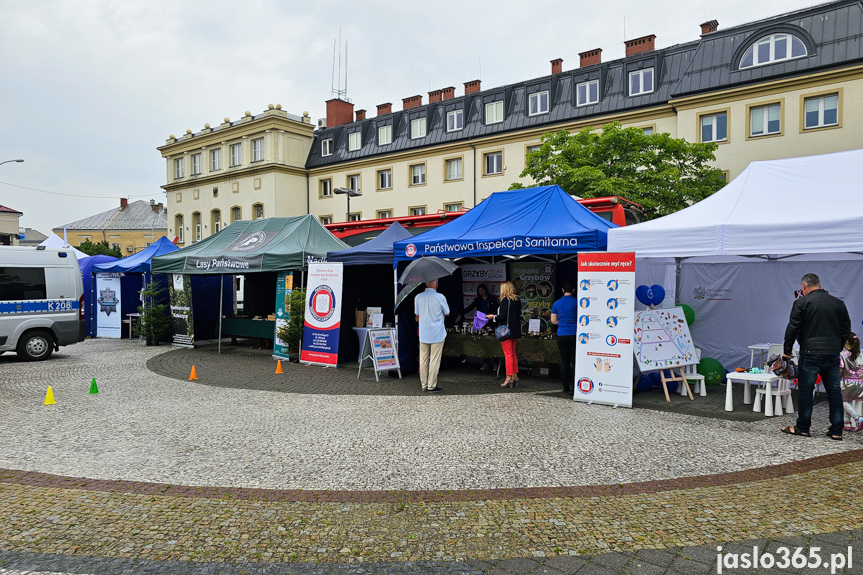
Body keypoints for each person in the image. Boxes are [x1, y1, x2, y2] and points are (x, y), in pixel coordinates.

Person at [780, 273, 851, 440]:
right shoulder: (838, 303)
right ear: (819, 284)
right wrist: (837, 347)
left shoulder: (801, 302)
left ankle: (803, 428)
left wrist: (787, 350)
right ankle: (836, 430)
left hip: (810, 352)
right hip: (832, 353)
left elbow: (793, 327)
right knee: (834, 391)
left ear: (804, 287)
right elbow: (846, 329)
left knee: (806, 390)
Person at [414, 278, 450, 393]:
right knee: (434, 360)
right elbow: (447, 312)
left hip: (424, 333)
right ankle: (431, 385)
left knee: (423, 359)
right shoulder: (440, 297)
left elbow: (417, 316)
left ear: (426, 283)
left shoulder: (418, 297)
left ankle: (423, 385)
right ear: (436, 284)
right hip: (437, 333)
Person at [454, 284, 499, 370]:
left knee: (492, 343)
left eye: (482, 290)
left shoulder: (492, 299)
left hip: (491, 323)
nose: (481, 292)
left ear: (486, 290)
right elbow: (470, 307)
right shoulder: (478, 300)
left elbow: (497, 310)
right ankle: (485, 362)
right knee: (483, 343)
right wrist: (460, 314)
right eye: (479, 291)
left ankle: (495, 363)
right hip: (482, 323)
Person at [487, 281, 522, 388]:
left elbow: (502, 316)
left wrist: (493, 316)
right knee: (513, 353)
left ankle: (508, 377)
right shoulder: (517, 300)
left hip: (506, 331)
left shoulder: (505, 301)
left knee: (508, 354)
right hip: (515, 330)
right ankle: (515, 375)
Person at [551, 282, 579, 395]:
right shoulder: (578, 302)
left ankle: (565, 387)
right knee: (575, 361)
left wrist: (562, 323)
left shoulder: (557, 303)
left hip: (562, 334)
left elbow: (553, 321)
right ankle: (575, 387)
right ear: (573, 290)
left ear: (562, 290)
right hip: (575, 335)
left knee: (564, 362)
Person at [840, 332, 863, 432]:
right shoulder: (860, 353)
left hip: (846, 381)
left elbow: (840, 368)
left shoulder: (842, 354)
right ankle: (847, 422)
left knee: (842, 400)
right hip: (859, 382)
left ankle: (858, 418)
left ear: (845, 342)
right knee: (848, 401)